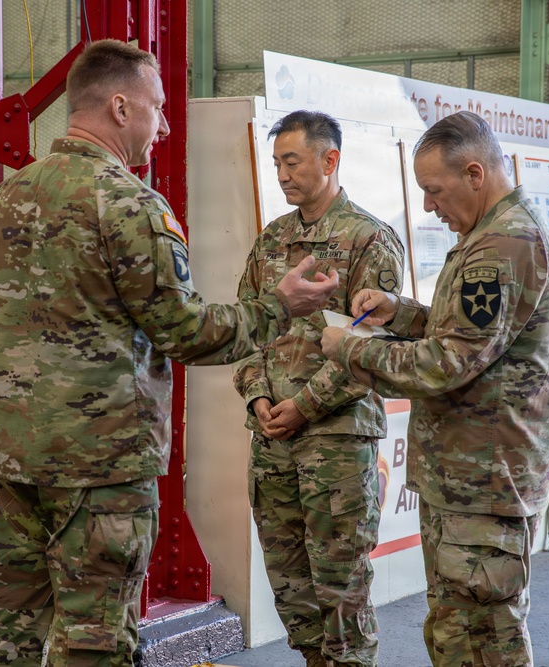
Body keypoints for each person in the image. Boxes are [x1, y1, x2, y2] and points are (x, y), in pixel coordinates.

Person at [0, 39, 339, 667]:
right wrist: (280, 305)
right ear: (118, 106)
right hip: (99, 460)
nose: (164, 125)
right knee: (95, 630)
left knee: (9, 614)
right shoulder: (131, 205)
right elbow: (185, 331)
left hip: (13, 447)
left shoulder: (8, 197)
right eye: (157, 108)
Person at [320, 110, 549, 667]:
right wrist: (400, 313)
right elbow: (468, 334)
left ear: (475, 174)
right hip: (468, 477)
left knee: (483, 639)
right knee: (459, 631)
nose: (429, 205)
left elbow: (450, 361)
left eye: (434, 190)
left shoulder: (504, 244)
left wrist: (350, 347)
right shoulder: (491, 234)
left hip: (484, 478)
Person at [233, 110, 405, 667]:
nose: (282, 174)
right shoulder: (272, 241)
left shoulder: (369, 240)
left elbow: (368, 350)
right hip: (272, 438)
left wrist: (302, 406)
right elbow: (246, 327)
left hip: (335, 439)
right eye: (277, 162)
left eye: (293, 160)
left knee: (340, 582)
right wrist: (259, 397)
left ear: (330, 160)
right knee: (290, 583)